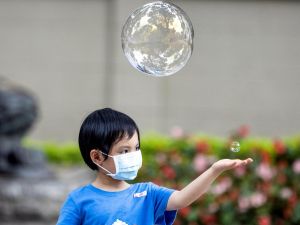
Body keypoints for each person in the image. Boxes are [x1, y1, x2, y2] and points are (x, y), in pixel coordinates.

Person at [57, 108, 253, 225]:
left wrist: (214, 170)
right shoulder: (79, 200)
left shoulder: (147, 194)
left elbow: (182, 198)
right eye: (124, 151)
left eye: (136, 148)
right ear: (97, 157)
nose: (133, 155)